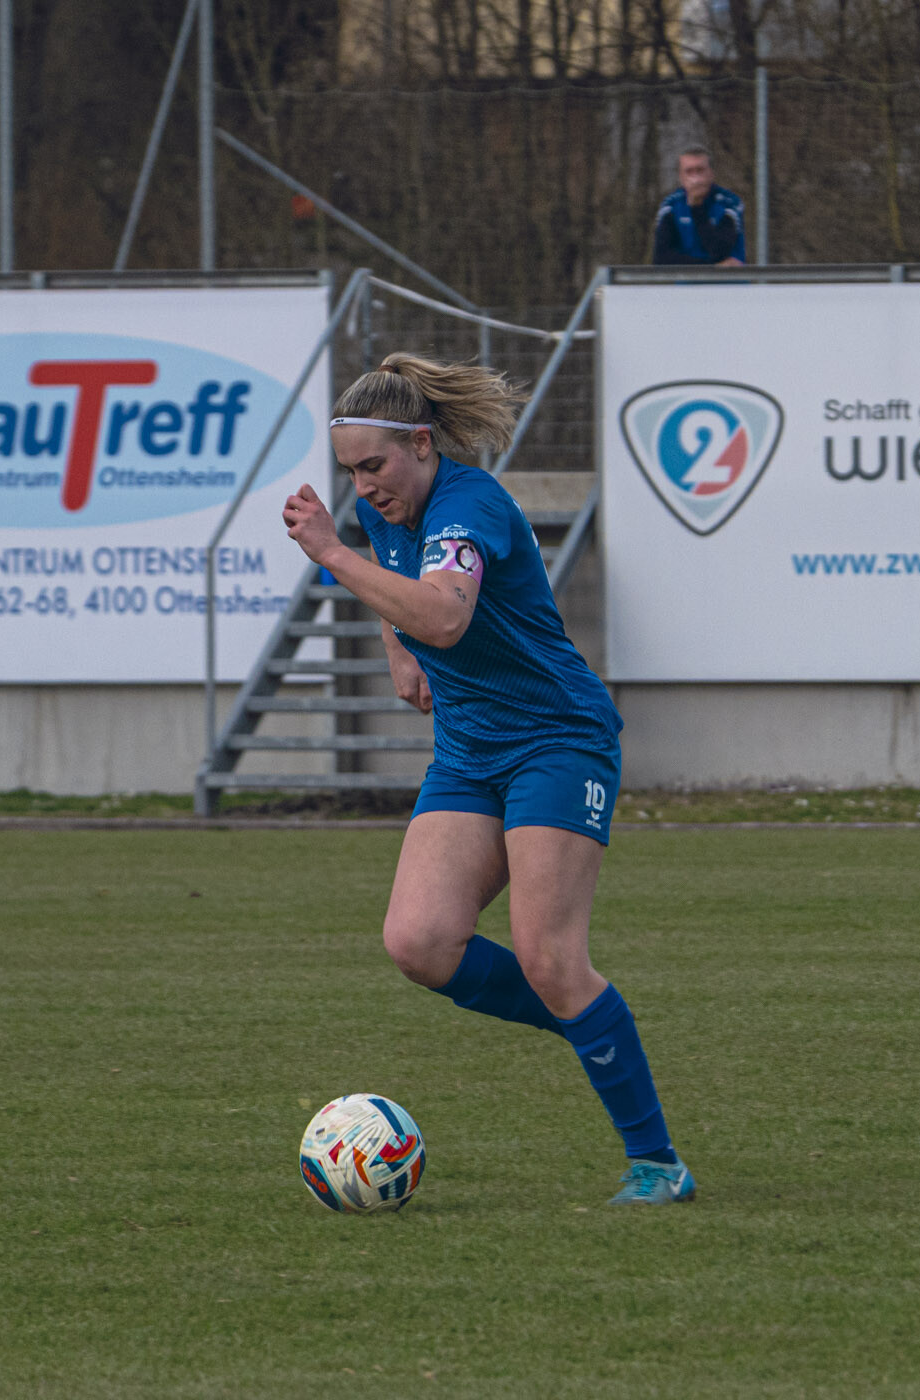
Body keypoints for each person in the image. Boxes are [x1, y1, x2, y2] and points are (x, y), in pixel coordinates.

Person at [279, 353, 694, 1206]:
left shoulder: (468, 506)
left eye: (374, 465)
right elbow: (402, 589)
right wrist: (396, 650)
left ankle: (659, 1165)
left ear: (421, 444)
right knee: (420, 943)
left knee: (549, 955)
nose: (364, 486)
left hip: (556, 740)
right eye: (350, 471)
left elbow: (443, 611)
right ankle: (590, 1021)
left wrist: (329, 553)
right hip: (469, 752)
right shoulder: (391, 509)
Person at [651, 147, 746, 267]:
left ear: (711, 173)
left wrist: (696, 208)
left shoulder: (730, 203)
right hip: (686, 278)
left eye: (700, 170)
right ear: (681, 177)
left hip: (726, 279)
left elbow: (720, 251)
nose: (696, 178)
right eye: (689, 171)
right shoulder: (671, 205)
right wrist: (711, 267)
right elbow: (661, 258)